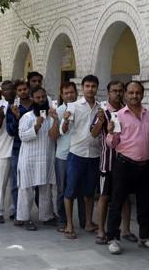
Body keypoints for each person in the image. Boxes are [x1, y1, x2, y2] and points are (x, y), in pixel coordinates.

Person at [105, 81, 149, 254]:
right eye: (131, 93)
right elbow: (112, 144)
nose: (134, 96)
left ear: (142, 94)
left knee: (145, 203)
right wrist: (110, 132)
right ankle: (113, 238)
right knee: (116, 202)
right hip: (124, 164)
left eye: (137, 93)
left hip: (144, 165)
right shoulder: (119, 115)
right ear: (126, 95)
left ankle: (144, 237)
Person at [93, 80, 136, 245]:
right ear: (108, 92)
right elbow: (93, 133)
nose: (117, 93)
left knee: (125, 198)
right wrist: (101, 121)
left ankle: (126, 230)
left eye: (120, 90)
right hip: (108, 162)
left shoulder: (128, 110)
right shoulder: (103, 111)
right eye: (114, 91)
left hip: (126, 162)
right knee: (104, 196)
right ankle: (101, 230)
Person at [61, 75, 102, 239]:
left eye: (93, 86)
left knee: (89, 192)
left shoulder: (101, 108)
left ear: (97, 88)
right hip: (77, 154)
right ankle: (70, 224)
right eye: (87, 86)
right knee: (70, 191)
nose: (90, 89)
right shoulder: (74, 106)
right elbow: (65, 130)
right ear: (83, 88)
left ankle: (88, 222)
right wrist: (64, 121)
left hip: (94, 155)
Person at [14, 87, 59, 231]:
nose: (41, 100)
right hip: (29, 158)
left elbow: (54, 136)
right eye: (38, 97)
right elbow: (22, 137)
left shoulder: (51, 116)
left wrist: (55, 119)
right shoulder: (27, 117)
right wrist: (37, 125)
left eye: (43, 97)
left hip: (46, 157)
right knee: (26, 189)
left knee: (45, 188)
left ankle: (46, 216)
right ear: (33, 99)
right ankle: (23, 218)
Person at [54, 82, 86, 230]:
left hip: (79, 154)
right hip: (63, 156)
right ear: (62, 95)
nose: (69, 95)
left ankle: (84, 221)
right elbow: (55, 134)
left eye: (72, 92)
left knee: (81, 190)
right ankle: (63, 220)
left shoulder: (82, 108)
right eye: (66, 93)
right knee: (63, 189)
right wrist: (58, 119)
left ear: (76, 92)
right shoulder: (59, 111)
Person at [6, 80, 33, 220]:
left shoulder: (36, 105)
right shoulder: (12, 108)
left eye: (25, 89)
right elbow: (10, 131)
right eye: (20, 90)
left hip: (35, 149)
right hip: (18, 148)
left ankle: (42, 213)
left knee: (35, 183)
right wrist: (17, 118)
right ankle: (18, 212)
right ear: (16, 92)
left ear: (28, 89)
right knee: (16, 182)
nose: (23, 92)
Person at [0, 80, 15, 223]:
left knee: (16, 184)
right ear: (2, 92)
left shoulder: (20, 106)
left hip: (17, 150)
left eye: (11, 89)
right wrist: (1, 116)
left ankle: (14, 210)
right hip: (2, 150)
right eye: (5, 90)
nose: (9, 92)